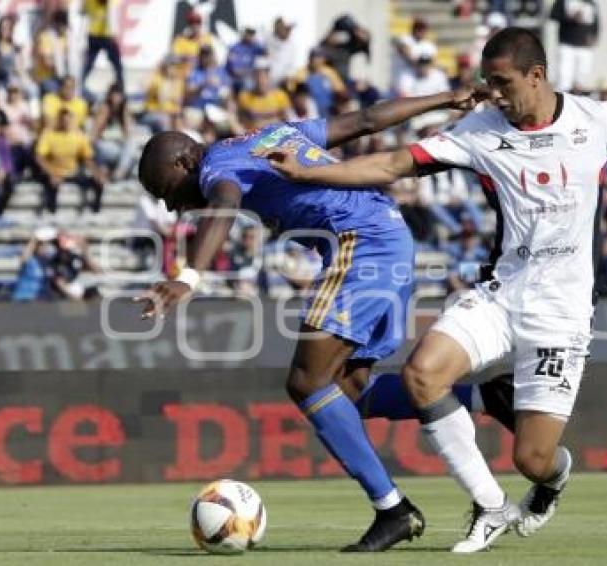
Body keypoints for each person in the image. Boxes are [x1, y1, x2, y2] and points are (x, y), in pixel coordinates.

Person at [267, 27, 607, 553]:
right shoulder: (478, 130)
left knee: (532, 460)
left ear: (537, 74)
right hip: (501, 294)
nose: (495, 93)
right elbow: (395, 163)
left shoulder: (598, 121)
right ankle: (488, 506)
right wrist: (309, 173)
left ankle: (553, 479)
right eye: (488, 82)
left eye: (503, 82)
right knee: (422, 374)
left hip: (563, 312)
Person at [135, 88, 515, 552]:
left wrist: (188, 276)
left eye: (166, 194)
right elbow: (367, 119)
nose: (174, 208)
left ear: (182, 164)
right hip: (392, 236)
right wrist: (444, 98)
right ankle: (487, 395)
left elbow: (224, 205)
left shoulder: (218, 167)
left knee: (306, 382)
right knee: (348, 393)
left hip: (361, 245)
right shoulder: (270, 135)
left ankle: (393, 510)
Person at [35, 108, 104, 216]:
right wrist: (51, 173)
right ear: (59, 120)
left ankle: (96, 210)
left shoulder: (78, 135)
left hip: (72, 172)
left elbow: (87, 158)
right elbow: (39, 157)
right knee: (51, 184)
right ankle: (51, 212)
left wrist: (96, 172)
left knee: (98, 182)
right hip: (54, 172)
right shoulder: (49, 134)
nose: (65, 123)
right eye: (63, 120)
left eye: (68, 120)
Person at [550, 0, 599, 92]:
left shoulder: (591, 3)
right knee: (564, 78)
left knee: (583, 77)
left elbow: (596, 22)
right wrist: (570, 17)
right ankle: (563, 99)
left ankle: (578, 98)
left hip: (584, 46)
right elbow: (553, 15)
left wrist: (595, 36)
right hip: (567, 44)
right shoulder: (563, 2)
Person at [82, 0, 126, 93]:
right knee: (88, 64)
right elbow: (84, 12)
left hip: (105, 35)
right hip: (97, 35)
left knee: (117, 65)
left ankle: (121, 88)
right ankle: (79, 84)